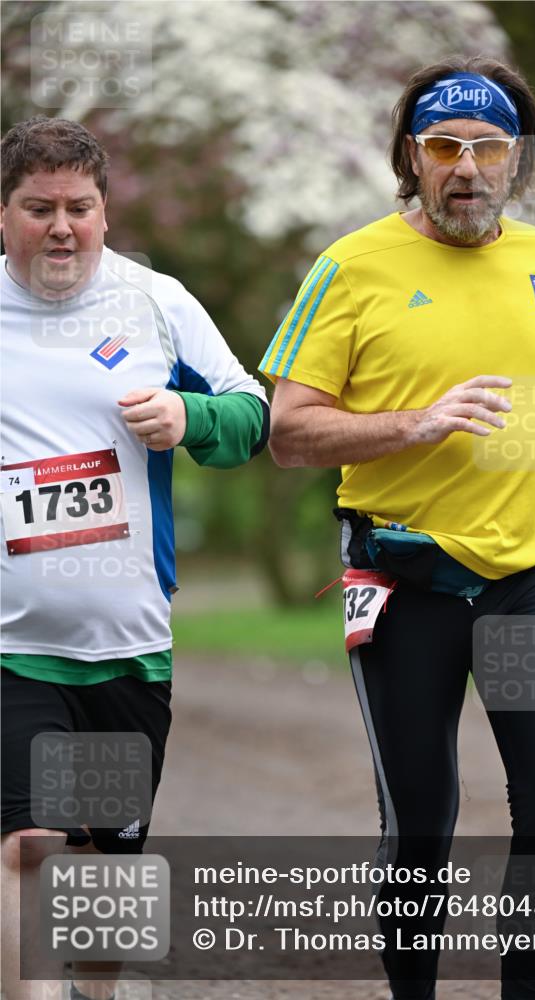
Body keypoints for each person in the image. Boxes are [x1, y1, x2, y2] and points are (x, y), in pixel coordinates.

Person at [260, 56, 535, 1000]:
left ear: (520, 164)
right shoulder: (350, 265)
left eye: (488, 147)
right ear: (410, 157)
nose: (466, 166)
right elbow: (287, 432)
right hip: (402, 579)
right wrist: (414, 424)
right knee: (420, 820)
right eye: (442, 147)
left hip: (528, 574)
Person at [0, 117, 268, 1000]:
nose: (61, 227)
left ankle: (95, 992)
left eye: (79, 207)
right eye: (39, 208)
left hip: (128, 642)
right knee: (32, 841)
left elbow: (251, 414)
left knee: (108, 863)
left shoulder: (156, 302)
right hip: (12, 643)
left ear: (105, 212)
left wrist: (192, 421)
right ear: (5, 215)